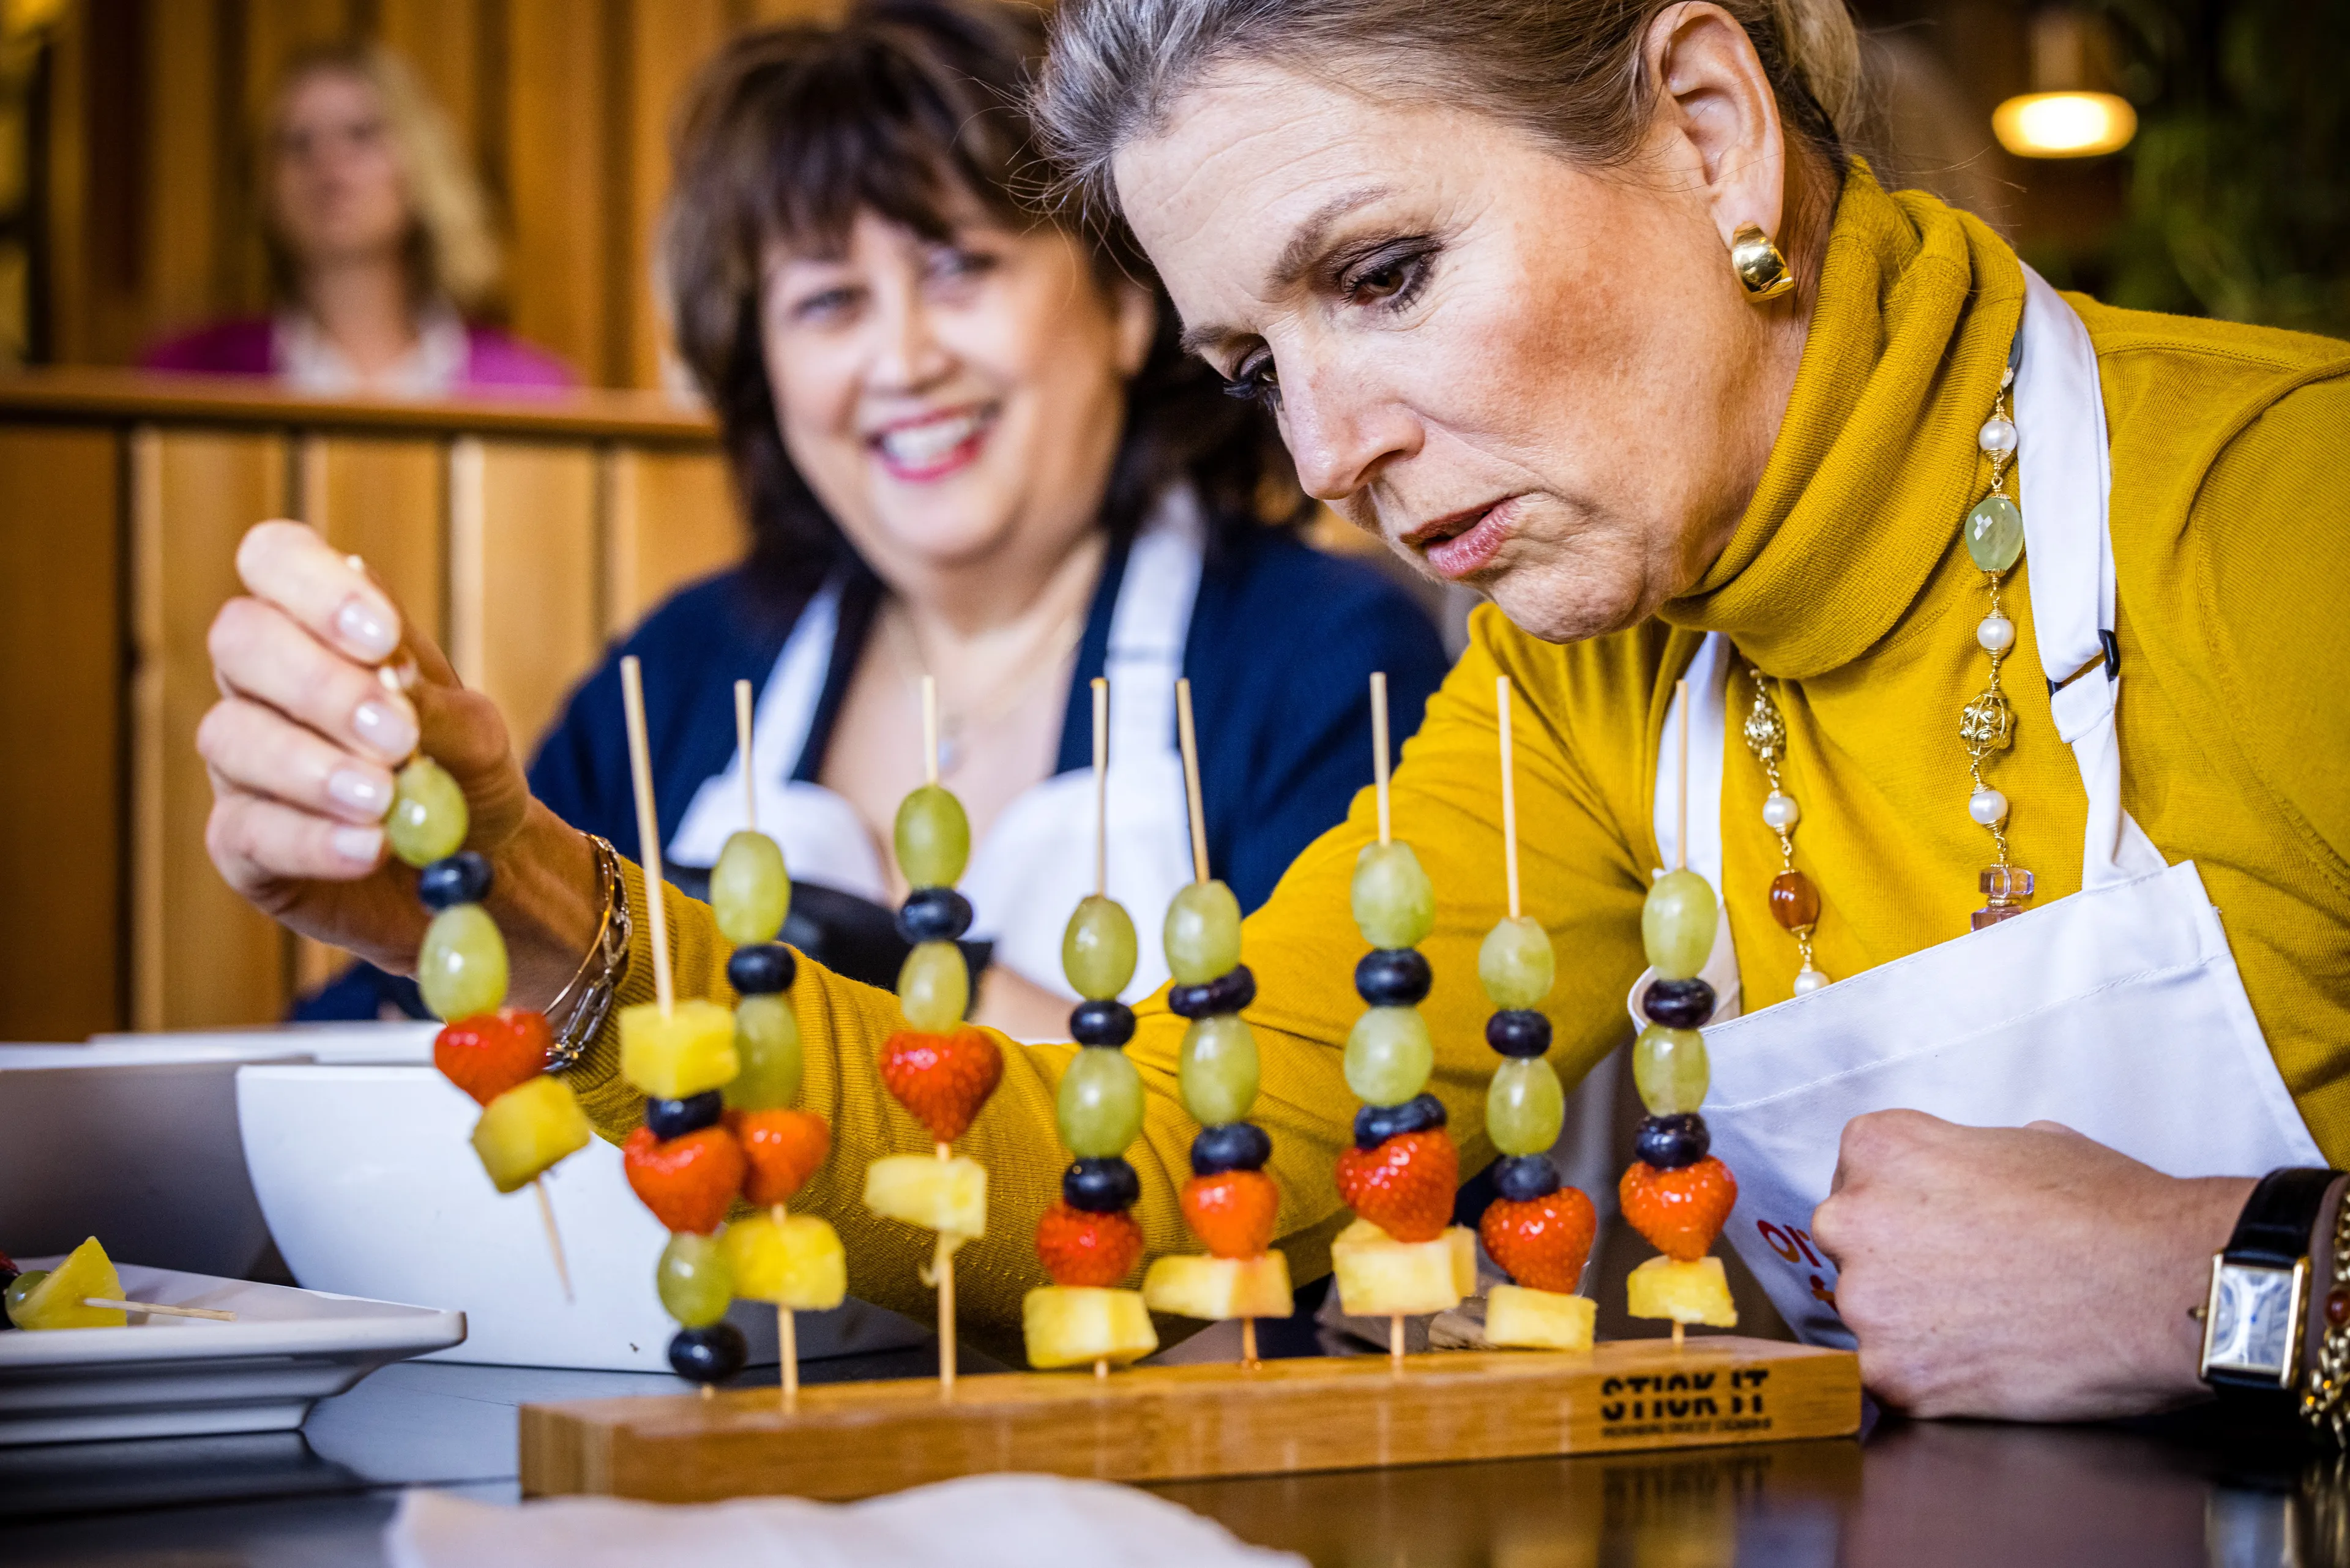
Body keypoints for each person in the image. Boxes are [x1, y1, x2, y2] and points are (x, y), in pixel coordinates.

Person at [197, 0, 2350, 1427]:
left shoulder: (2287, 518)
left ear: (1712, 137)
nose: (1326, 454)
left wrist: (2230, 1279)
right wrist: (512, 894)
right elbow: (1112, 1167)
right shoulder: (1585, 684)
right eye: (1251, 362)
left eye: (1385, 272)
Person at [293, 2, 1447, 1042]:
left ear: (1125, 304)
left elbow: (1344, 1129)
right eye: (830, 301)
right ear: (770, 371)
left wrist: (853, 959)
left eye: (959, 267)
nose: (903, 360)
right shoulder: (686, 670)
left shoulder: (1322, 658)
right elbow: (401, 1007)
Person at [143, 42, 573, 395]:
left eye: (361, 135)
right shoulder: (186, 379)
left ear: (422, 168)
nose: (328, 165)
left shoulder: (528, 393)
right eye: (297, 144)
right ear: (263, 188)